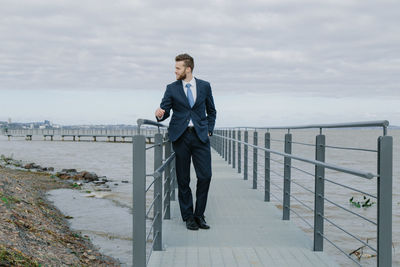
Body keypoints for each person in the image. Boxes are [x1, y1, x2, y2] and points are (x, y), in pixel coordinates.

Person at [155, 53, 217, 230]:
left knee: (205, 176)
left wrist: (209, 130)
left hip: (200, 137)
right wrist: (160, 114)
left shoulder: (205, 86)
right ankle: (188, 216)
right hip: (180, 137)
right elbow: (165, 110)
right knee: (183, 179)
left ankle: (199, 215)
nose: (175, 71)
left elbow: (212, 111)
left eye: (178, 68)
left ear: (188, 69)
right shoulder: (171, 88)